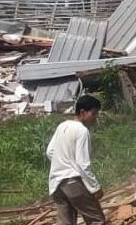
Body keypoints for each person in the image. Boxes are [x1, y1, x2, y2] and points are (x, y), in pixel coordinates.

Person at [46, 95, 105, 225]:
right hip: (73, 182)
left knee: (66, 222)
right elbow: (83, 163)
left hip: (57, 184)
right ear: (83, 112)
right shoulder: (82, 131)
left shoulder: (62, 126)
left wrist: (62, 163)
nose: (95, 118)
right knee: (96, 220)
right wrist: (95, 187)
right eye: (94, 113)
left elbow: (50, 151)